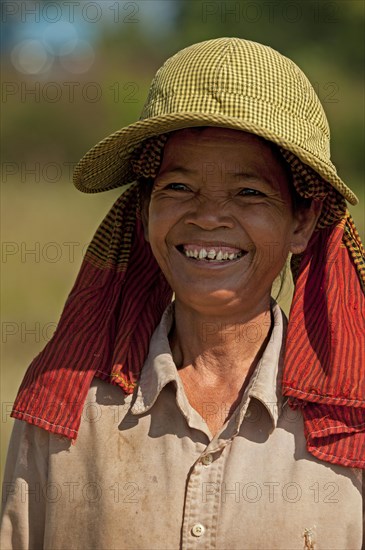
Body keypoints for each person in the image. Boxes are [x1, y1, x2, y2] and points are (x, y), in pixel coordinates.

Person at [1, 37, 364, 550]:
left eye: (249, 192)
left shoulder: (352, 424)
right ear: (145, 208)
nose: (208, 215)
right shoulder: (67, 408)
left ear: (302, 221)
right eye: (178, 187)